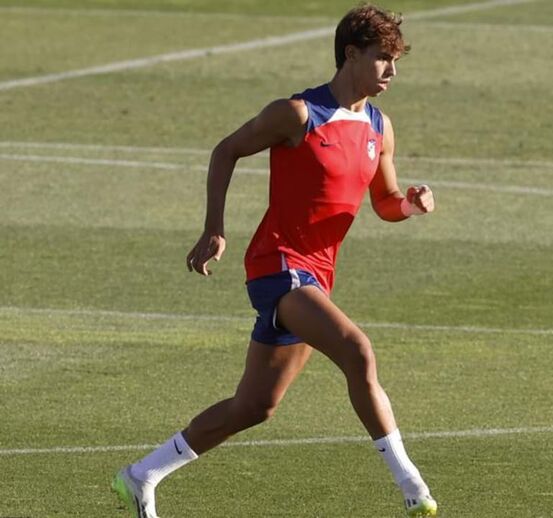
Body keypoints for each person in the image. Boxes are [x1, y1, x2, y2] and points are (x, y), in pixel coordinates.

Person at [111, 5, 438, 517]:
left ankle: (140, 475)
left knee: (255, 406)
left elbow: (385, 201)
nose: (392, 71)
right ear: (351, 55)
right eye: (383, 59)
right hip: (278, 265)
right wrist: (214, 228)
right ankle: (412, 487)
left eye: (396, 61)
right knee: (358, 351)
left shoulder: (379, 126)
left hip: (316, 277)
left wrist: (411, 206)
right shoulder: (298, 114)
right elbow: (226, 151)